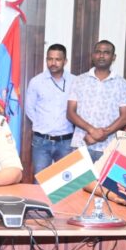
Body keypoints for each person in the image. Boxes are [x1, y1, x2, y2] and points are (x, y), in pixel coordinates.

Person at [67, 40, 126, 162]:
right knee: (79, 176)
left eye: (106, 52)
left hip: (109, 147)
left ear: (113, 57)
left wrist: (103, 134)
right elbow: (70, 113)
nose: (101, 56)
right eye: (98, 52)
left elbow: (125, 117)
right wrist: (92, 131)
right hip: (82, 143)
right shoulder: (79, 80)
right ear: (93, 55)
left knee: (105, 176)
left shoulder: (122, 83)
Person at [25, 43, 75, 174]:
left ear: (65, 61)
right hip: (41, 141)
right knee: (40, 181)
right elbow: (29, 108)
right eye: (50, 59)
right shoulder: (36, 82)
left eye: (57, 59)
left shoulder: (75, 81)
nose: (53, 63)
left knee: (66, 182)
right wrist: (42, 124)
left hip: (66, 141)